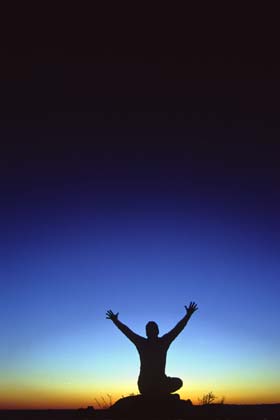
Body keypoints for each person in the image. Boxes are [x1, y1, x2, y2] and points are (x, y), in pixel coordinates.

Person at [106, 301, 198, 397]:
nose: (150, 331)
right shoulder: (161, 342)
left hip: (145, 385)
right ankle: (160, 393)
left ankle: (158, 391)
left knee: (178, 382)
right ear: (157, 331)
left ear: (148, 332)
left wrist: (115, 320)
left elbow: (127, 331)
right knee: (178, 382)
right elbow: (177, 329)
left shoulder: (145, 342)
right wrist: (188, 315)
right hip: (150, 384)